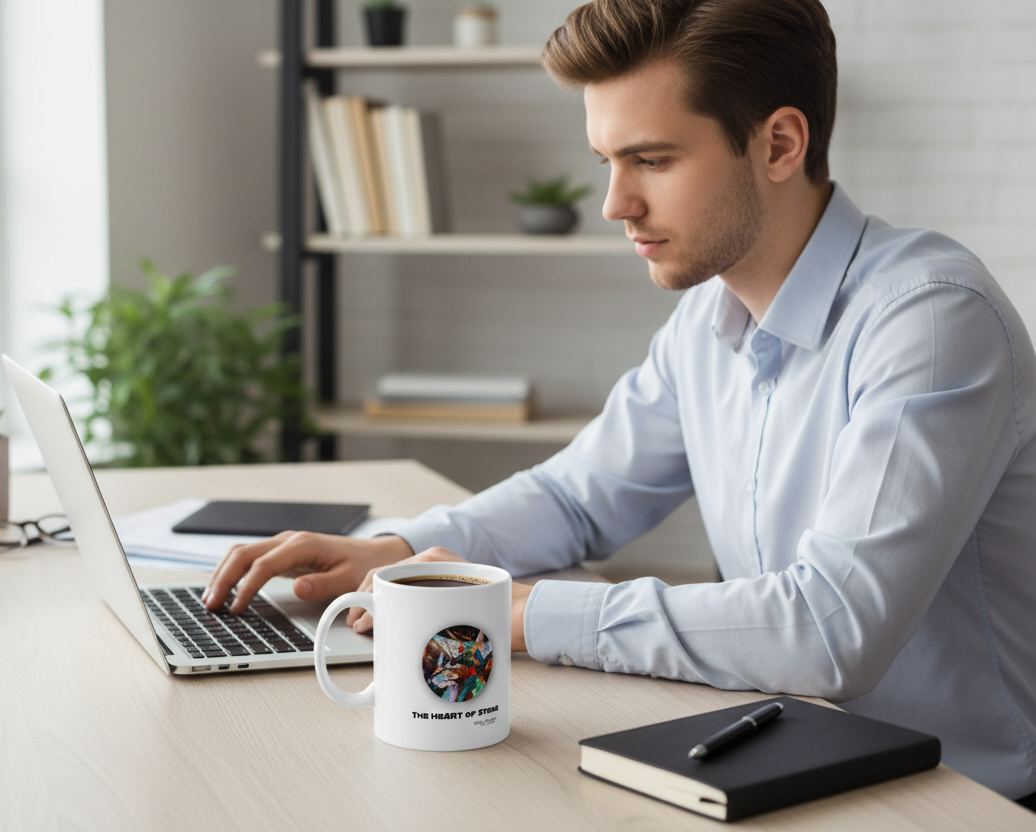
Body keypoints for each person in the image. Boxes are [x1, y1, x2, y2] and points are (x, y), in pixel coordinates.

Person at [206, 0, 1036, 802]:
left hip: (960, 798)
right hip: (787, 758)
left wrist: (521, 614)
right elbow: (577, 499)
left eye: (654, 160)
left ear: (780, 143)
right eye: (607, 162)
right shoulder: (706, 321)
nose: (616, 204)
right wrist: (406, 554)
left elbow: (828, 631)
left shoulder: (929, 321)